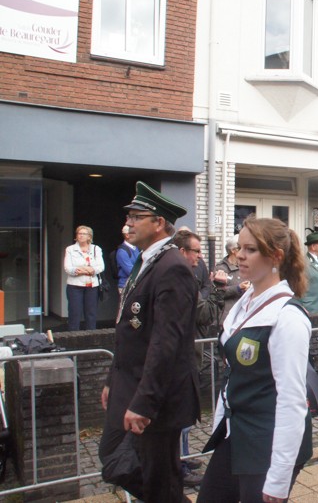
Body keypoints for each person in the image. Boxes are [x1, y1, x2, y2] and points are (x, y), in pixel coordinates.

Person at [197, 216, 313, 503]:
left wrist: (279, 477)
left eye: (250, 249)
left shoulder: (287, 317)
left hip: (268, 442)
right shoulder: (246, 301)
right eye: (239, 247)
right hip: (235, 432)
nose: (239, 255)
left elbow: (292, 401)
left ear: (276, 256)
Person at [99, 181, 200, 502]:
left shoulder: (172, 267)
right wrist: (111, 379)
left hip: (156, 398)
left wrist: (144, 403)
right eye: (129, 216)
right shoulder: (145, 261)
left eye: (136, 217)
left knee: (159, 479)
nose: (128, 223)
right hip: (129, 385)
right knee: (113, 458)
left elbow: (166, 343)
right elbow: (129, 332)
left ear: (159, 223)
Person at [173, 229, 227, 488]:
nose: (200, 256)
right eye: (196, 251)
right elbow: (204, 315)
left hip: (186, 355)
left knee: (184, 413)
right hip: (181, 358)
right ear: (182, 252)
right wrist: (219, 289)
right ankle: (179, 466)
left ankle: (183, 457)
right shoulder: (180, 280)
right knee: (180, 415)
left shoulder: (187, 276)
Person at [64, 225, 104, 331]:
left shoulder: (96, 249)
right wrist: (87, 270)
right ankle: (73, 337)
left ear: (89, 236)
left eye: (83, 234)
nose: (81, 236)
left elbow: (100, 267)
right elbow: (68, 268)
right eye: (79, 233)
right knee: (74, 313)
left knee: (91, 314)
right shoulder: (70, 249)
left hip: (92, 286)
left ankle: (91, 336)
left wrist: (84, 269)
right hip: (74, 286)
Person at [215, 236, 248, 323]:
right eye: (240, 248)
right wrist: (238, 288)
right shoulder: (221, 268)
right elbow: (216, 292)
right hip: (226, 317)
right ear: (233, 250)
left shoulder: (244, 266)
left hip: (243, 316)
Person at [115, 225, 140, 293]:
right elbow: (131, 271)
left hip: (136, 285)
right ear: (127, 235)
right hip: (126, 286)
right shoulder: (122, 252)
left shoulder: (136, 248)